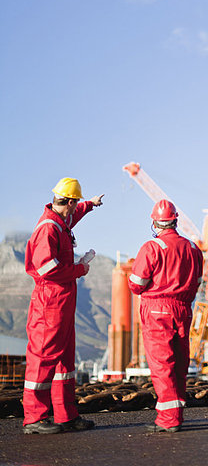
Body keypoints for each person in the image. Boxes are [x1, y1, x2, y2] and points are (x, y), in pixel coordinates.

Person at [23, 177, 104, 434]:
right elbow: (48, 269)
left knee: (64, 361)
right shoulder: (48, 229)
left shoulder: (60, 220)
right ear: (67, 201)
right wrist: (79, 269)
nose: (76, 206)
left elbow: (73, 216)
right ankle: (35, 418)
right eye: (76, 202)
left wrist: (90, 205)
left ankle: (65, 415)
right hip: (50, 301)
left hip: (62, 302)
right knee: (44, 357)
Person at [128, 199, 203, 433]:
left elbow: (136, 284)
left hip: (157, 309)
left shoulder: (152, 247)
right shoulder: (193, 248)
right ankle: (176, 414)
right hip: (183, 309)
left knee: (163, 364)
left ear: (155, 222)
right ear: (175, 220)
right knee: (180, 362)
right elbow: (197, 282)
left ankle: (168, 420)